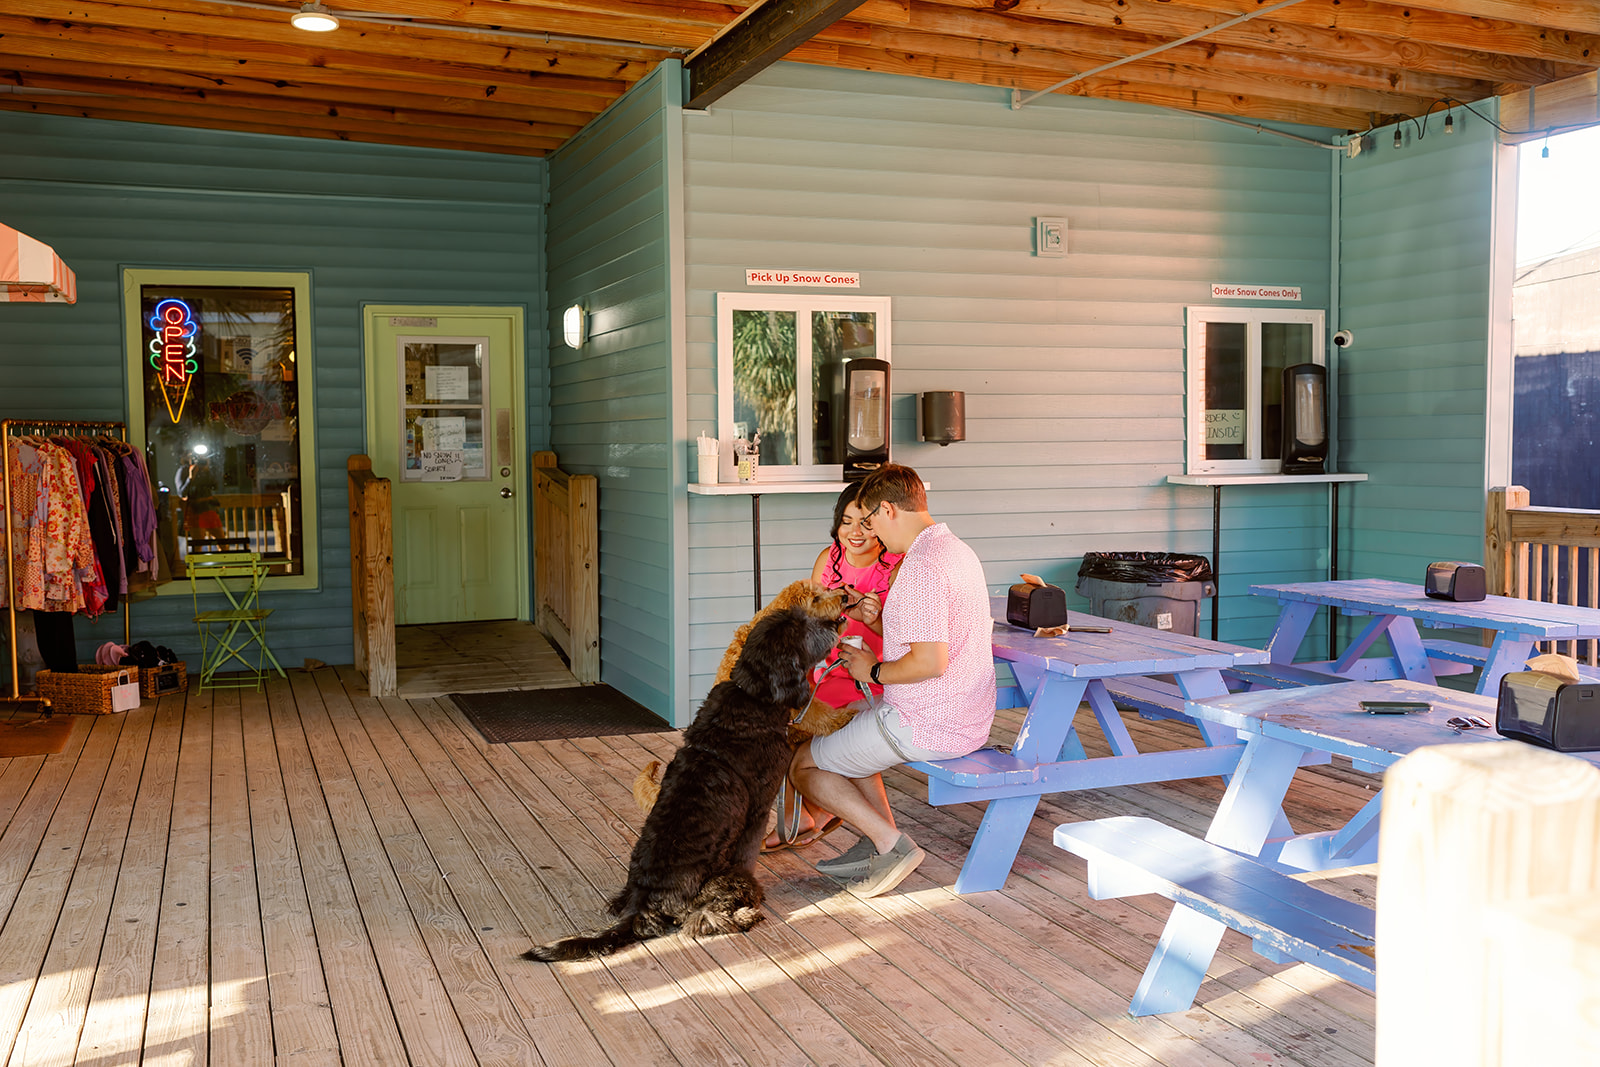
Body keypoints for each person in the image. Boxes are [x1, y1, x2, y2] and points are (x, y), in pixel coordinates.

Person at [788, 463, 996, 898]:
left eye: (873, 521)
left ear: (888, 509)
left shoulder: (920, 567)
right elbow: (930, 640)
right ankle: (875, 839)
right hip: (965, 713)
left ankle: (891, 845)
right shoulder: (957, 550)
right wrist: (879, 621)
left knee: (804, 766)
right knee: (850, 722)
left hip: (928, 721)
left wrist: (872, 670)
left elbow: (929, 662)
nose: (874, 533)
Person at [764, 485, 901, 851]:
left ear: (882, 523)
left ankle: (868, 827)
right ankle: (802, 816)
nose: (854, 532)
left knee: (841, 735)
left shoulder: (895, 567)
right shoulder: (830, 559)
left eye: (865, 523)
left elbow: (905, 638)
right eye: (846, 522)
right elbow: (810, 618)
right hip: (823, 668)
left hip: (869, 676)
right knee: (780, 722)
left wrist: (872, 621)